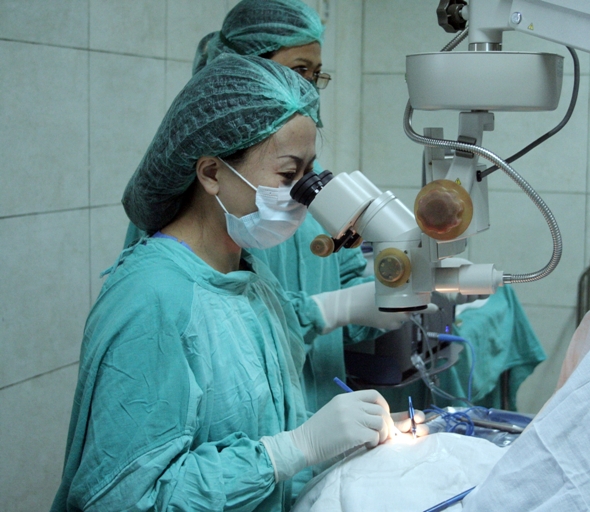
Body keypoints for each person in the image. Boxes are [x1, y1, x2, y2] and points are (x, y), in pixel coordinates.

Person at [52, 54, 425, 512]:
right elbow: (122, 499)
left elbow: (261, 384)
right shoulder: (152, 299)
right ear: (212, 174)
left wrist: (341, 438)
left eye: (309, 173)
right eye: (288, 175)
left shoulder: (245, 272)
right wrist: (290, 451)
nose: (304, 194)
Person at [123, 0, 405, 415]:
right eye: (299, 70)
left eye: (316, 74)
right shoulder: (198, 220)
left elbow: (332, 283)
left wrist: (385, 293)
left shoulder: (293, 183)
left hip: (304, 405)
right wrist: (327, 311)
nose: (309, 88)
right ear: (243, 72)